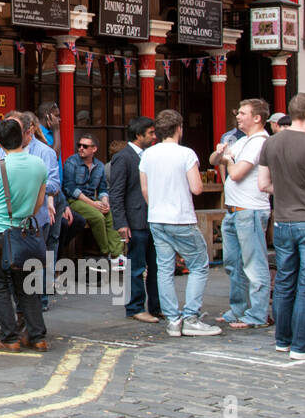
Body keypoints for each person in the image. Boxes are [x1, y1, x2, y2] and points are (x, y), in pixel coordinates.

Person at [257, 93, 305, 362]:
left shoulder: (271, 144)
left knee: (284, 281)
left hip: (283, 221)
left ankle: (284, 339)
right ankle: (302, 346)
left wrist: (287, 190)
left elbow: (263, 184)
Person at [139, 109, 219, 337]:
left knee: (164, 268)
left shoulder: (148, 155)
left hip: (156, 217)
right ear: (178, 129)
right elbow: (197, 188)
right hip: (181, 217)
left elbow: (145, 189)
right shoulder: (186, 154)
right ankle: (191, 317)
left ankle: (173, 320)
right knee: (198, 264)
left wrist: (156, 206)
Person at [0, 117, 49, 351]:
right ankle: (37, 336)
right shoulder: (39, 164)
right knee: (27, 285)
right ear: (23, 135)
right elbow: (39, 203)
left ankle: (10, 337)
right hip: (25, 232)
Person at [210, 98, 272, 329]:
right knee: (233, 263)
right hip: (234, 210)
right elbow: (214, 159)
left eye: (243, 113)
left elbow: (236, 173)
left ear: (257, 118)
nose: (238, 116)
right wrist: (222, 155)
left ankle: (257, 314)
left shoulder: (259, 142)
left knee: (254, 264)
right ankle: (238, 308)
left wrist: (226, 159)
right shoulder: (244, 140)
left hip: (250, 209)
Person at [110, 116, 161, 322]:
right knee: (137, 266)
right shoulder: (124, 157)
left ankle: (156, 306)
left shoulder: (150, 155)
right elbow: (116, 192)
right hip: (135, 219)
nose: (154, 136)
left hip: (152, 217)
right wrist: (121, 223)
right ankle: (135, 307)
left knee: (156, 266)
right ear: (139, 135)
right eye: (150, 133)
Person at [63, 132, 126, 270]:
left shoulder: (99, 165)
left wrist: (105, 202)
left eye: (85, 146)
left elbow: (103, 188)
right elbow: (70, 189)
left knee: (109, 214)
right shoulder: (71, 162)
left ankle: (117, 254)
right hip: (74, 200)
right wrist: (94, 204)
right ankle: (105, 253)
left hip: (92, 199)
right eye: (79, 145)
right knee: (97, 216)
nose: (81, 148)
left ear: (94, 149)